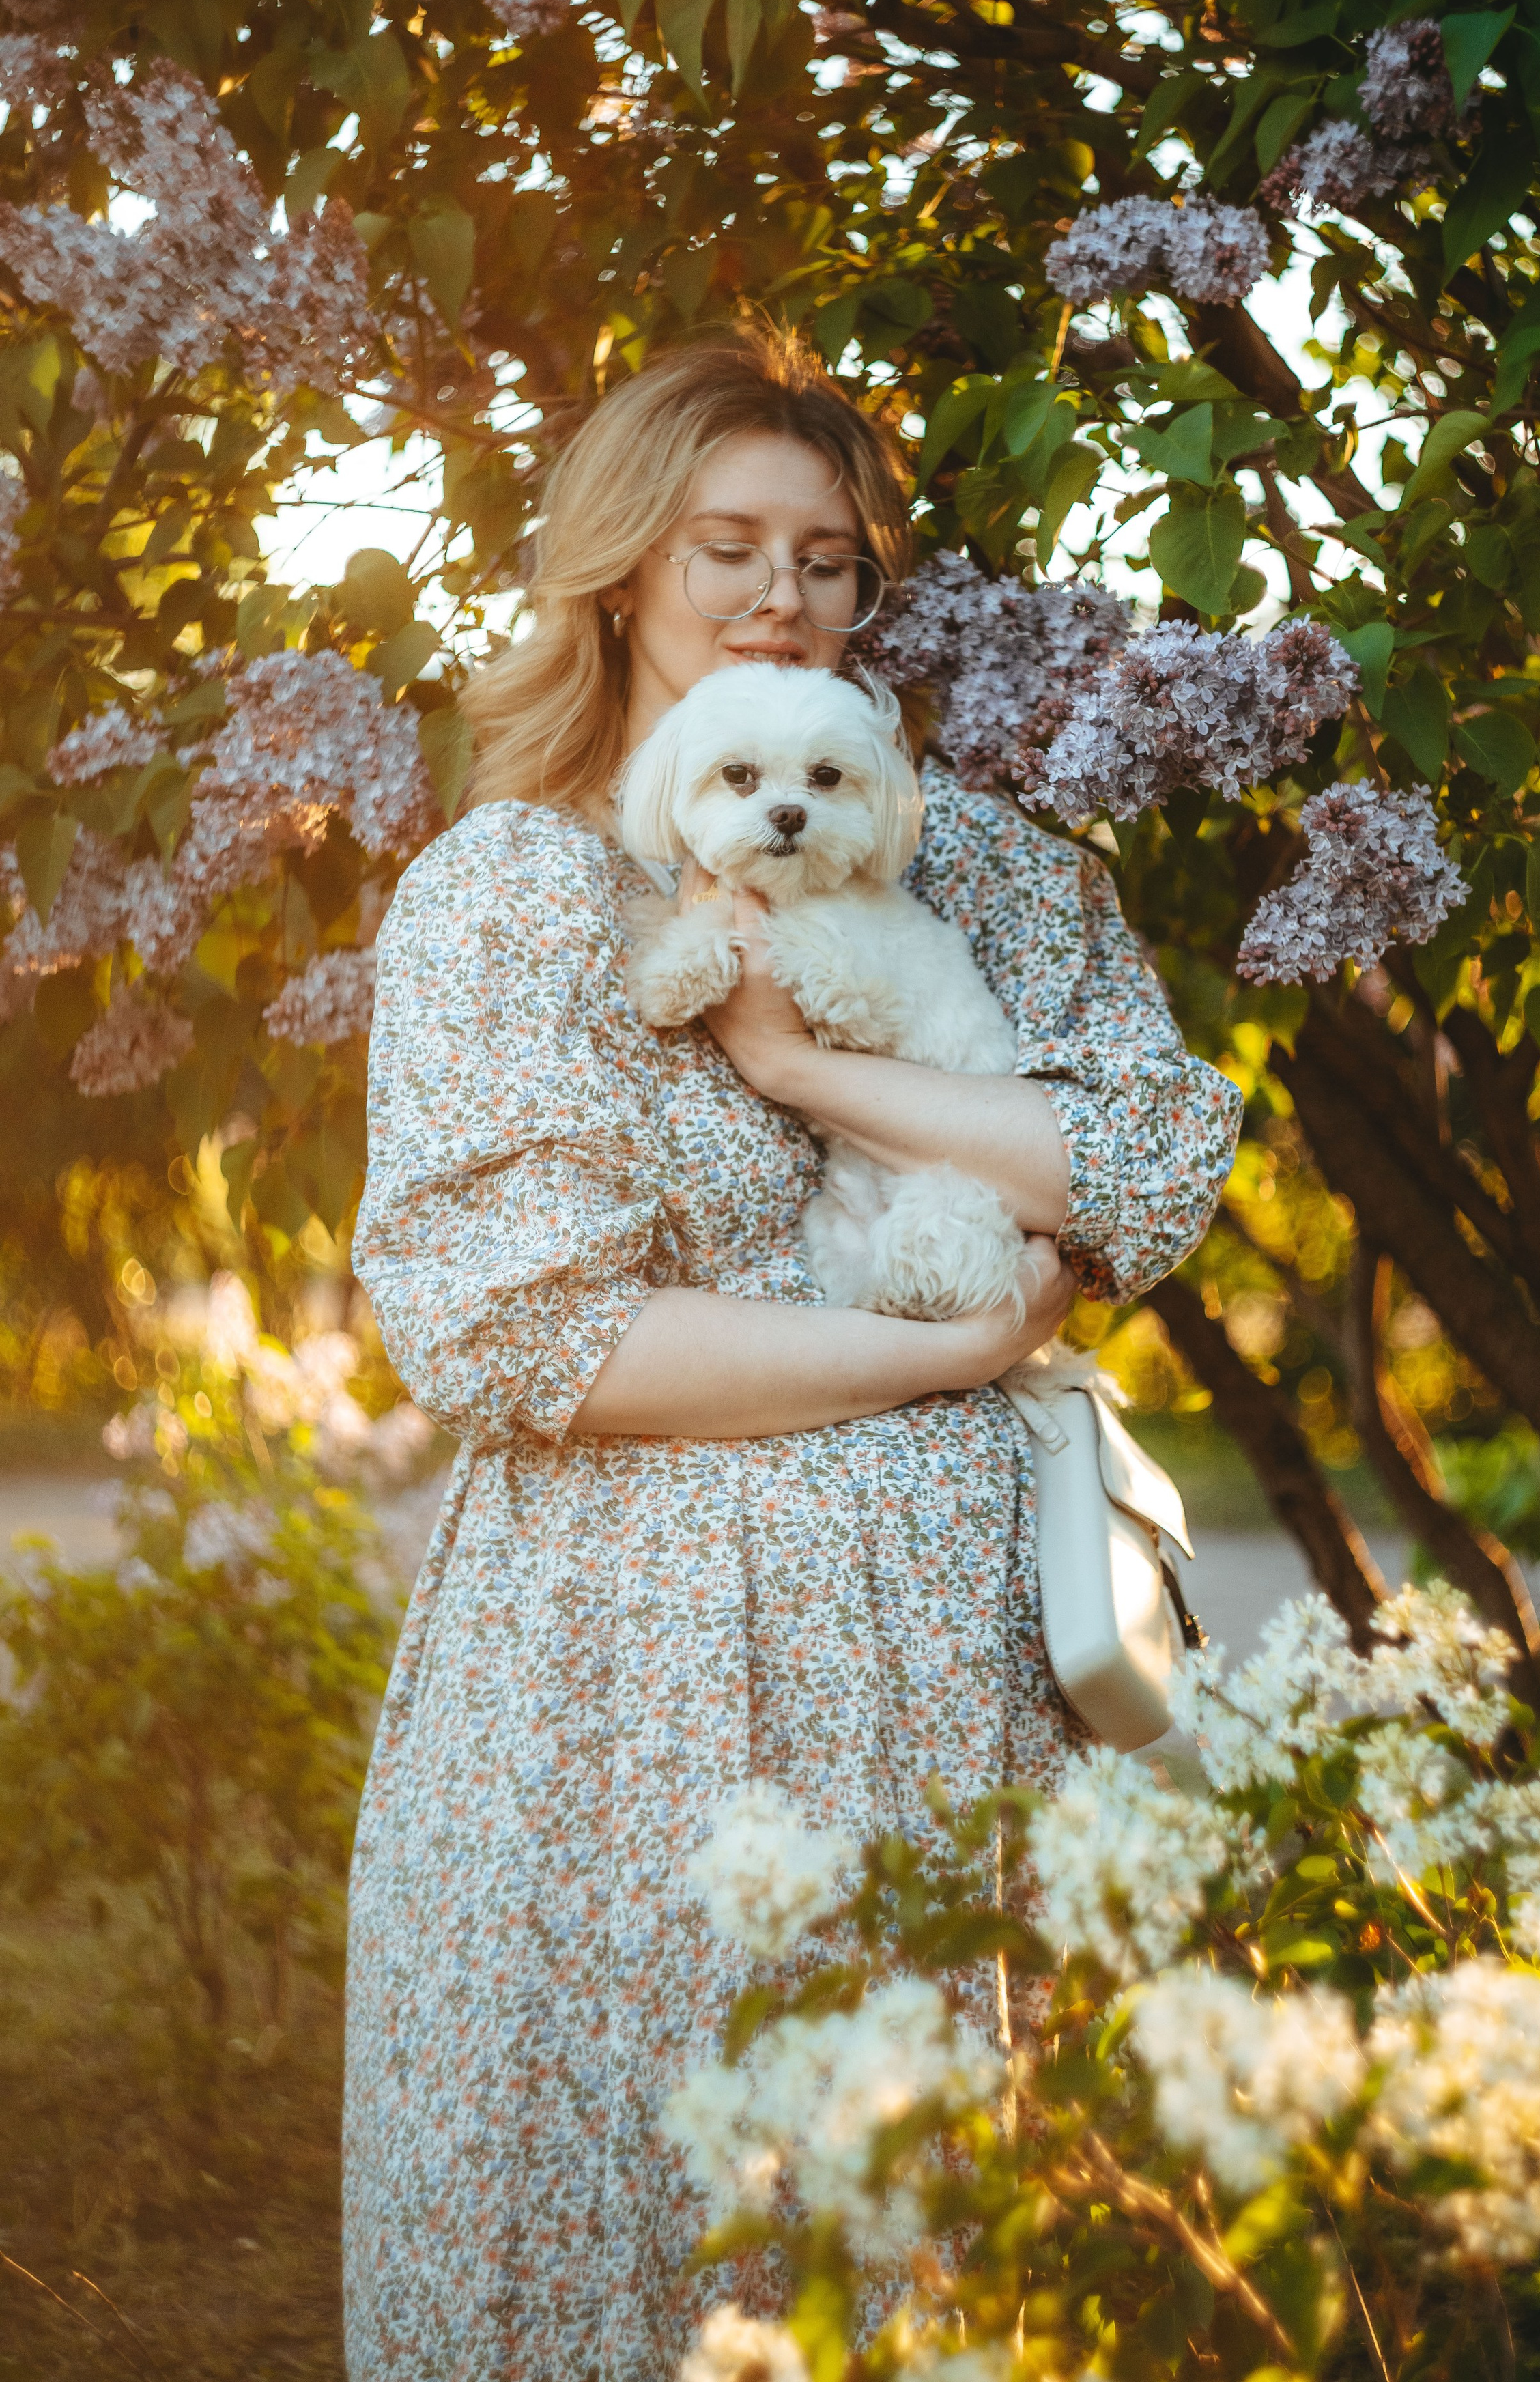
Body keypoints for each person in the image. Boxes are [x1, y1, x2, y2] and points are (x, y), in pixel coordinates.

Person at [343, 328, 1241, 2380]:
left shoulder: (986, 863)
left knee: (929, 2218)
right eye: (725, 545)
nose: (780, 597)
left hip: (951, 1657)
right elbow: (534, 1334)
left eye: (828, 559)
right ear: (618, 567)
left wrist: (809, 1070)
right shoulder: (513, 894)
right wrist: (944, 1350)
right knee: (614, 2215)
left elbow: (1148, 1158)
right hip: (618, 1664)